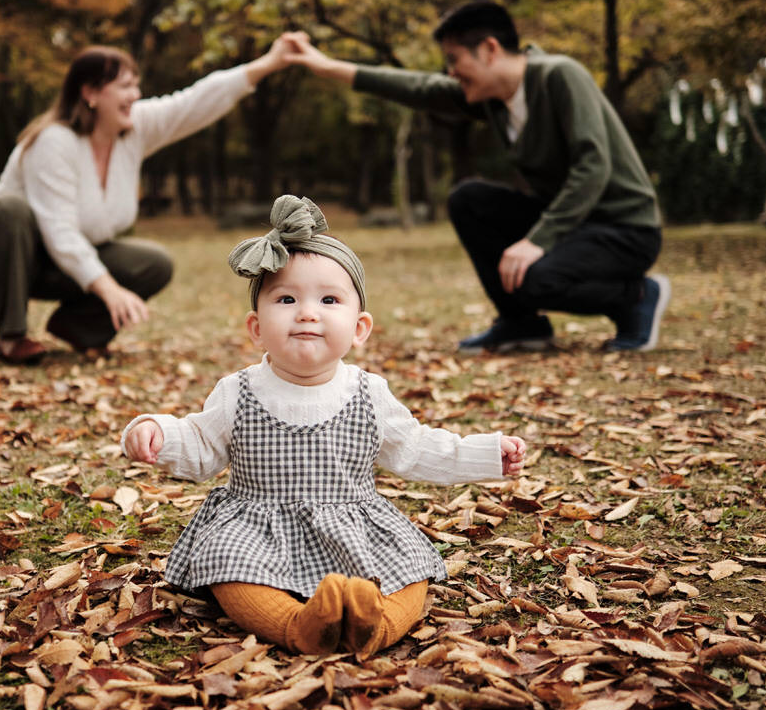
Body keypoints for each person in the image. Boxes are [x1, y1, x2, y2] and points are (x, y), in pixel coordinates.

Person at [122, 196, 526, 656]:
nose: (307, 312)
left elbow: (415, 448)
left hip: (352, 525)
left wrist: (485, 453)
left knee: (410, 575)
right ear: (256, 328)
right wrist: (156, 430)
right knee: (230, 575)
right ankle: (300, 626)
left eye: (329, 300)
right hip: (258, 528)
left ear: (359, 328)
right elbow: (199, 444)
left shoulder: (368, 393)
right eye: (287, 299)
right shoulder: (238, 391)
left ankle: (376, 623)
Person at [281, 0, 670, 353]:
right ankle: (522, 324)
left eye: (454, 59)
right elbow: (419, 88)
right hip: (577, 226)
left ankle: (635, 296)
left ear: (489, 49)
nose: (451, 72)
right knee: (470, 200)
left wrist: (537, 240)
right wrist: (325, 65)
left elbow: (594, 166)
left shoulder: (559, 76)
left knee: (533, 277)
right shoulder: (496, 102)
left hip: (626, 229)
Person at [0, 39, 295, 364]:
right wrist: (109, 289)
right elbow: (58, 231)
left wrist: (267, 63)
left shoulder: (132, 129)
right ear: (91, 93)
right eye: (125, 86)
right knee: (9, 210)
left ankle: (78, 329)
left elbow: (193, 103)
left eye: (136, 85)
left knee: (153, 262)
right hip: (13, 258)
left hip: (68, 263)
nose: (135, 95)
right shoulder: (54, 141)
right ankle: (12, 337)